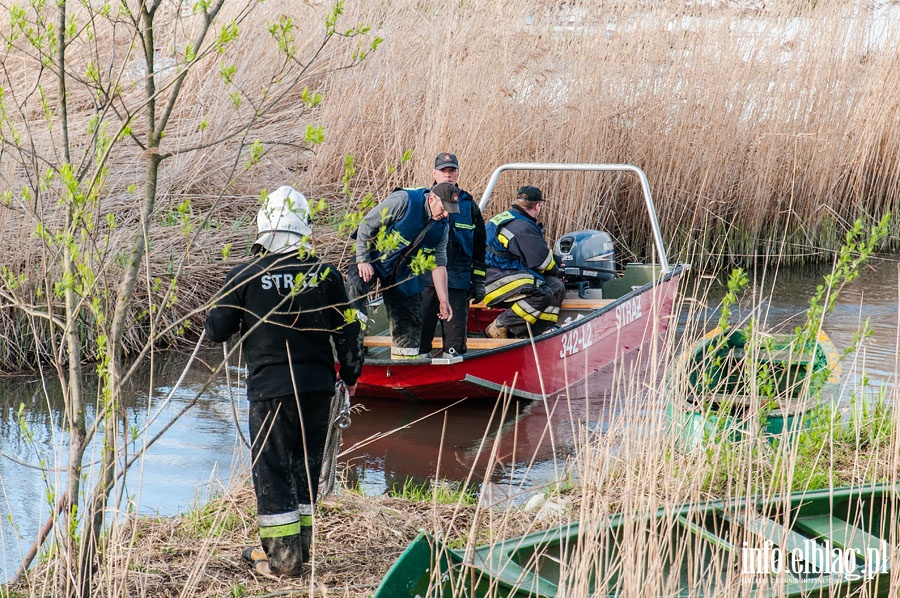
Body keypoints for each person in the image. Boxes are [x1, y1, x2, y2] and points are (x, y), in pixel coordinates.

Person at [204, 185, 363, 576]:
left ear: (263, 227)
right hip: (317, 388)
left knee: (273, 469)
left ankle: (283, 560)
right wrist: (352, 374)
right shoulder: (325, 273)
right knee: (305, 467)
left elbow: (216, 331)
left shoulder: (243, 274)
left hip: (271, 391)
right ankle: (301, 549)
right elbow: (349, 330)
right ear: (304, 227)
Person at [347, 182, 459, 359]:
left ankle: (405, 363)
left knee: (410, 318)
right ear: (431, 199)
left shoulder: (442, 227)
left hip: (403, 270)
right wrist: (363, 260)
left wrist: (443, 300)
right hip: (373, 257)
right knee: (355, 292)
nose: (446, 214)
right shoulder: (403, 201)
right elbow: (366, 225)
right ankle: (351, 355)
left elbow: (439, 264)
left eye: (450, 210)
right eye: (444, 208)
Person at [418, 152, 486, 358]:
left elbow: (480, 245)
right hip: (425, 280)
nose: (448, 175)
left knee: (455, 344)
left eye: (452, 171)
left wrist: (479, 280)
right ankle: (419, 370)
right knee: (420, 340)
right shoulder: (422, 201)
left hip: (458, 279)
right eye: (443, 171)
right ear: (434, 173)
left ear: (457, 174)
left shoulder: (468, 205)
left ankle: (452, 369)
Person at [483, 185, 565, 339]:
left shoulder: (508, 217)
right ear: (537, 206)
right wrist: (558, 266)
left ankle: (537, 332)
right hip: (494, 280)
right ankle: (501, 325)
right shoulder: (522, 227)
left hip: (497, 273)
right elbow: (542, 262)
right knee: (542, 293)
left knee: (556, 287)